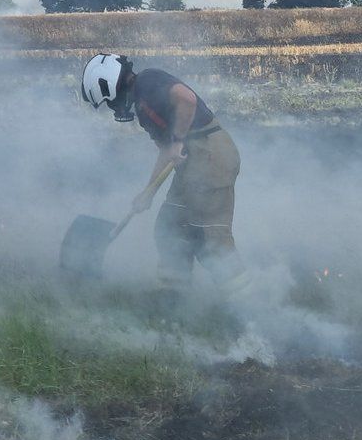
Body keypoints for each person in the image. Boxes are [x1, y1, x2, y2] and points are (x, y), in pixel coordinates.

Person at [81, 53, 242, 293]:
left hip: (211, 154)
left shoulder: (147, 81)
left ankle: (244, 301)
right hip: (193, 162)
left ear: (111, 85)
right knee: (170, 226)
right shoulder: (143, 110)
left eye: (110, 101)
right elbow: (166, 151)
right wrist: (149, 191)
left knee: (210, 236)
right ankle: (173, 295)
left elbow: (186, 99)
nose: (114, 107)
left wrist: (177, 140)